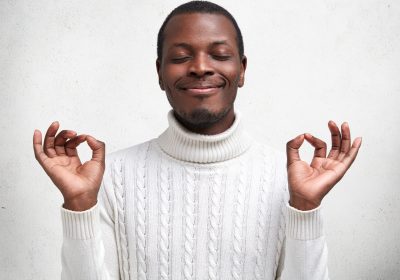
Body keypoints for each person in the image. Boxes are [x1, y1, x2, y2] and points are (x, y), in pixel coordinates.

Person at [32, 1, 362, 279]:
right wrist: (79, 204)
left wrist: (305, 207)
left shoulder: (287, 179)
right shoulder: (109, 177)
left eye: (219, 54)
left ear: (242, 70)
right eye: (180, 57)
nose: (200, 67)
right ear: (160, 72)